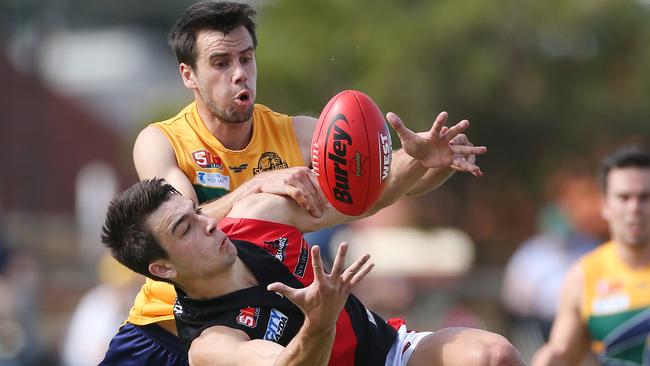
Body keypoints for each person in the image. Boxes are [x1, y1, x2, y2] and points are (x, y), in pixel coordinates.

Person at [118, 1, 486, 364]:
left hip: (260, 326)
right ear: (188, 75)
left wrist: (426, 160)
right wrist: (254, 186)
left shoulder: (298, 134)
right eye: (221, 63)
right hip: (164, 331)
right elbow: (183, 217)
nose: (239, 73)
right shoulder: (162, 140)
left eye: (246, 58)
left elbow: (370, 191)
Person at [101, 151, 523, 365]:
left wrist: (422, 159)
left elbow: (360, 198)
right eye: (185, 229)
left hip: (387, 351)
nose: (209, 223)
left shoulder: (256, 217)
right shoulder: (211, 346)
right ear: (162, 269)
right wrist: (320, 323)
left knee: (491, 355)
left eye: (196, 213)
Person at [532, 145, 650, 366]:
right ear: (605, 205)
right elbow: (562, 353)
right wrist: (546, 359)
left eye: (645, 197)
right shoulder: (584, 276)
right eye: (624, 198)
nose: (634, 208)